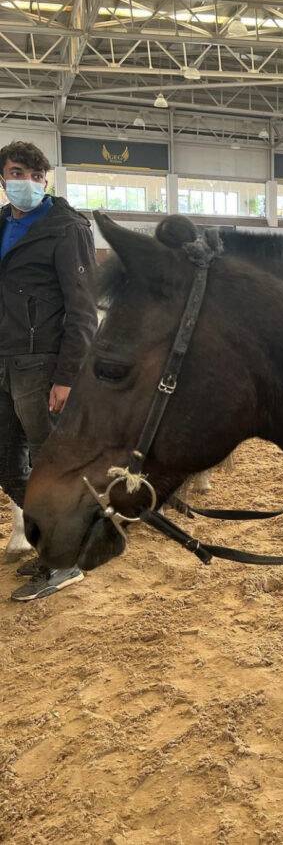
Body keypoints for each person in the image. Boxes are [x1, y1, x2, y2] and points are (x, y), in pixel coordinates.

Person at [0, 140, 97, 600]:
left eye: (35, 176)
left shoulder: (66, 227)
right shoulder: (1, 225)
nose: (26, 183)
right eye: (17, 173)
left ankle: (67, 559)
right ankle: (49, 544)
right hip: (4, 359)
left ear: (45, 181)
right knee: (7, 463)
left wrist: (67, 376)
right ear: (3, 177)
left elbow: (83, 309)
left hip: (42, 365)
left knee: (50, 466)